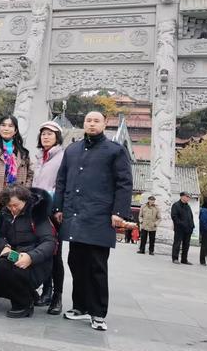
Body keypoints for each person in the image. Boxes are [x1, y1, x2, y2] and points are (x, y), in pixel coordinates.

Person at [54, 111, 132, 331]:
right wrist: (59, 207)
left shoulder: (115, 151)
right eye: (88, 120)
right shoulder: (72, 149)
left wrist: (119, 212)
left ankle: (97, 312)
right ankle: (80, 306)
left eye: (96, 121)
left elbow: (124, 183)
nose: (92, 124)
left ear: (105, 124)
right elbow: (61, 181)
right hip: (75, 214)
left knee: (97, 265)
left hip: (99, 215)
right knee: (76, 262)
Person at [0, 185, 56, 318]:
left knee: (8, 269)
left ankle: (24, 304)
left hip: (36, 262)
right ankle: (29, 294)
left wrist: (31, 257)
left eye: (15, 205)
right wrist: (4, 246)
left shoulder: (37, 213)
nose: (13, 209)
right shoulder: (6, 213)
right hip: (14, 255)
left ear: (25, 200)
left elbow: (49, 242)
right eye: (9, 206)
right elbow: (1, 236)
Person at [32, 121, 65, 314]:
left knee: (55, 253)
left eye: (50, 134)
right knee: (40, 251)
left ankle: (57, 296)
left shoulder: (63, 157)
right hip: (35, 209)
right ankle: (46, 289)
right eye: (43, 133)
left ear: (57, 137)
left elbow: (63, 185)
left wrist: (59, 207)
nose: (45, 137)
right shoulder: (37, 157)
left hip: (53, 211)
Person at [171, 191, 195, 265]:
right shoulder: (176, 205)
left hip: (188, 229)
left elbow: (191, 217)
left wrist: (192, 225)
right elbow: (174, 217)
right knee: (177, 243)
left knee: (186, 245)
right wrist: (182, 224)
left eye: (189, 197)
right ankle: (175, 258)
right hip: (179, 229)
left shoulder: (188, 206)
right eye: (187, 197)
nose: (188, 198)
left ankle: (184, 259)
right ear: (182, 196)